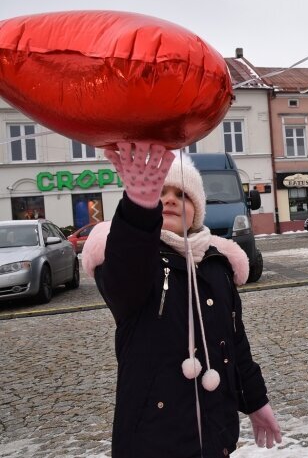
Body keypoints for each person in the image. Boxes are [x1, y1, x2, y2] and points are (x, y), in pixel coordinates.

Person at [82, 143, 281, 457]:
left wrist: (256, 401)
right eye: (161, 192)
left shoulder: (217, 265)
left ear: (197, 209)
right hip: (152, 441)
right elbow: (127, 266)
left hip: (215, 438)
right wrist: (138, 207)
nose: (171, 199)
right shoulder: (130, 259)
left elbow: (235, 343)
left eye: (183, 194)